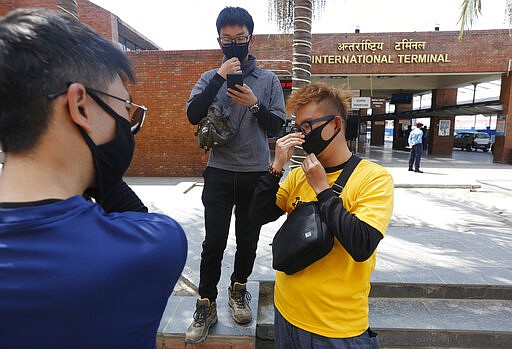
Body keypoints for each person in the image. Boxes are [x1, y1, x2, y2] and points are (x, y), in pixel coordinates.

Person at [0, 8, 187, 349]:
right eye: (124, 107)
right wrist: (99, 170)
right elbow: (137, 216)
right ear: (81, 106)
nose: (128, 123)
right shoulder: (152, 246)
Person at [250, 83, 394, 348]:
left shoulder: (374, 178)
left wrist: (323, 190)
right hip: (286, 313)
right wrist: (275, 167)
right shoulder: (297, 175)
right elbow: (257, 215)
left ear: (335, 125)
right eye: (298, 128)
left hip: (336, 329)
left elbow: (362, 244)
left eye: (307, 126)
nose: (302, 135)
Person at [185, 6, 286, 344]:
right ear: (219, 41)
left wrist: (255, 103)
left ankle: (238, 287)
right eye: (227, 40)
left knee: (248, 237)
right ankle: (206, 301)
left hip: (255, 172)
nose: (234, 45)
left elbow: (278, 127)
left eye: (240, 39)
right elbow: (192, 114)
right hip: (219, 171)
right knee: (213, 241)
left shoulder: (269, 80)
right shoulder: (208, 78)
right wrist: (219, 76)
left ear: (250, 39)